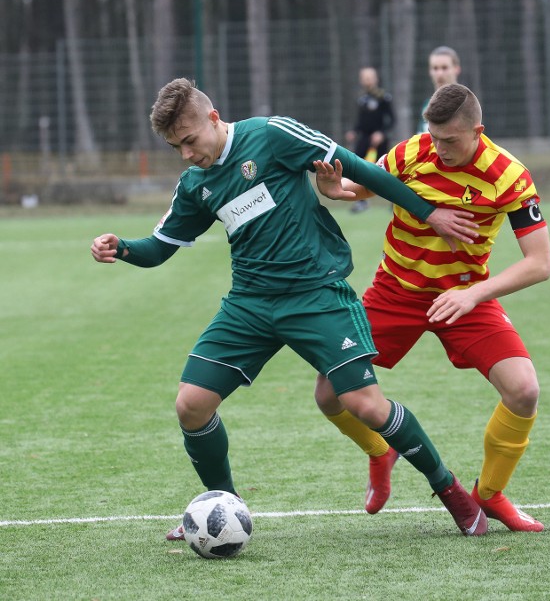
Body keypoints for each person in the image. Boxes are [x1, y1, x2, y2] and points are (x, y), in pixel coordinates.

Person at [90, 77, 490, 538]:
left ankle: (452, 493)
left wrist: (428, 212)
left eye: (189, 140)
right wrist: (120, 247)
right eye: (174, 146)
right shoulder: (196, 183)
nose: (185, 154)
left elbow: (362, 169)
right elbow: (159, 247)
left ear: (214, 118)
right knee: (191, 405)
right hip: (250, 305)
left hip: (316, 294)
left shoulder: (271, 134)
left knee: (366, 405)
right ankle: (223, 508)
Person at [312, 83, 550, 532]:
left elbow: (540, 264)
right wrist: (335, 188)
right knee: (328, 393)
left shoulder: (508, 176)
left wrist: (473, 294)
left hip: (465, 295)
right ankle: (381, 452)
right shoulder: (411, 152)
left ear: (478, 131)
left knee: (524, 391)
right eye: (433, 137)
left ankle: (490, 494)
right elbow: (358, 189)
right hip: (394, 291)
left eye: (451, 141)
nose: (439, 149)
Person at [345, 66, 395, 213]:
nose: (366, 80)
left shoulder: (383, 97)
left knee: (387, 169)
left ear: (375, 79)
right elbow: (361, 121)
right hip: (365, 138)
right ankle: (361, 201)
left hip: (380, 139)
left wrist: (381, 133)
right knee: (356, 166)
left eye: (369, 77)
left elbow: (392, 120)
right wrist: (354, 131)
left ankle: (395, 201)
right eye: (364, 77)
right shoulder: (362, 99)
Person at [417, 46, 461, 133]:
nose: (439, 73)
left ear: (456, 69)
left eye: (444, 68)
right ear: (430, 71)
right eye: (435, 68)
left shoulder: (466, 104)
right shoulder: (427, 105)